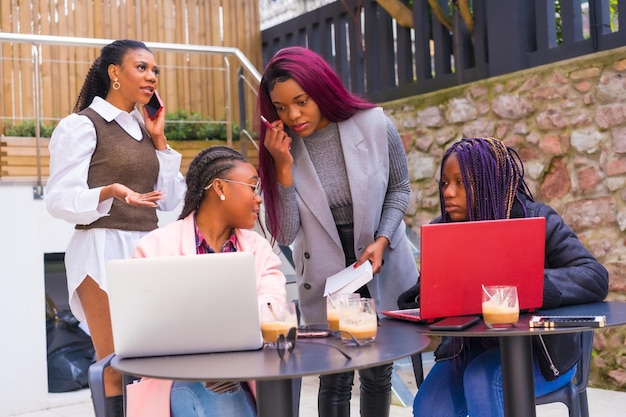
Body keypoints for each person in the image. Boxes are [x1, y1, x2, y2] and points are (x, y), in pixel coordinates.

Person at [256, 46, 418, 417]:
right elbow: (285, 233)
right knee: (335, 375)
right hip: (326, 273)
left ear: (322, 89)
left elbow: (400, 188)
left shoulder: (375, 124)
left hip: (378, 262)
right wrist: (283, 168)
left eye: (301, 101)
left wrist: (382, 240)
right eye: (281, 108)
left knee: (379, 372)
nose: (293, 115)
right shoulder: (281, 147)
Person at [398, 137, 609, 417]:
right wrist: (424, 296)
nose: (449, 192)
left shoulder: (537, 219)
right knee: (429, 408)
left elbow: (594, 276)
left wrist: (531, 286)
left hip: (539, 355)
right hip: (468, 351)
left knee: (482, 380)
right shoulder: (443, 231)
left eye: (461, 183)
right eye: (445, 183)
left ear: (488, 184)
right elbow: (430, 292)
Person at [45, 40, 187, 417]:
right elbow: (58, 198)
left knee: (150, 365)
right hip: (100, 251)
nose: (151, 77)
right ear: (114, 74)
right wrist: (108, 191)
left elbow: (171, 200)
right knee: (114, 366)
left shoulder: (145, 129)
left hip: (147, 250)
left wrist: (160, 141)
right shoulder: (81, 126)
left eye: (155, 70)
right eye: (141, 68)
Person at [130, 145, 288, 417]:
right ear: (220, 188)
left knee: (223, 393)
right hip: (177, 377)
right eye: (252, 187)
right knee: (209, 392)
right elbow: (140, 328)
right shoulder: (154, 247)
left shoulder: (260, 251)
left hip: (243, 376)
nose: (258, 198)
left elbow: (273, 310)